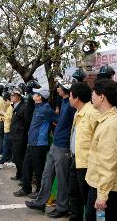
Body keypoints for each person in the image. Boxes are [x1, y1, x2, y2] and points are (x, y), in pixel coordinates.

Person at [25, 79, 76, 218]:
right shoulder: (64, 102)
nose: (57, 89)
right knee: (47, 175)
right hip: (56, 144)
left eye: (59, 87)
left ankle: (62, 207)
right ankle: (40, 202)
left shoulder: (71, 106)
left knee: (61, 178)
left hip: (63, 145)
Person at [86, 79, 117, 221]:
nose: (91, 96)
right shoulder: (108, 119)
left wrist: (102, 196)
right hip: (103, 186)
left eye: (93, 92)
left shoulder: (111, 125)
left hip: (105, 189)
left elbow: (108, 163)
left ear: (101, 97)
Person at [67, 82, 99, 220]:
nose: (68, 98)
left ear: (76, 98)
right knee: (73, 194)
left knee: (87, 198)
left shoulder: (92, 113)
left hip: (87, 164)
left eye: (70, 95)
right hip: (76, 159)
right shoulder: (78, 112)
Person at [13, 88, 53, 197]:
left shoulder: (46, 109)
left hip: (39, 144)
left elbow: (56, 120)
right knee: (26, 166)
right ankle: (26, 188)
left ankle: (39, 191)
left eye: (36, 93)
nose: (33, 95)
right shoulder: (37, 107)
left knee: (38, 169)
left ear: (40, 97)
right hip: (31, 143)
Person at [8, 88, 30, 181]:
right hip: (14, 135)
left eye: (14, 95)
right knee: (16, 158)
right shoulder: (15, 106)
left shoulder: (23, 107)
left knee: (20, 158)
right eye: (12, 95)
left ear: (19, 96)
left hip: (20, 136)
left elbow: (26, 122)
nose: (12, 97)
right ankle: (19, 174)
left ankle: (23, 177)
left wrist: (20, 131)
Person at [0, 92, 14, 170]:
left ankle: (1, 163)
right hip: (7, 129)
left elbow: (9, 118)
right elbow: (7, 119)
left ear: (8, 100)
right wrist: (2, 116)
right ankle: (12, 161)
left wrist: (3, 113)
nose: (4, 103)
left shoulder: (10, 107)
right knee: (9, 147)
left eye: (5, 101)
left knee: (6, 146)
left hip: (8, 130)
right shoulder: (9, 107)